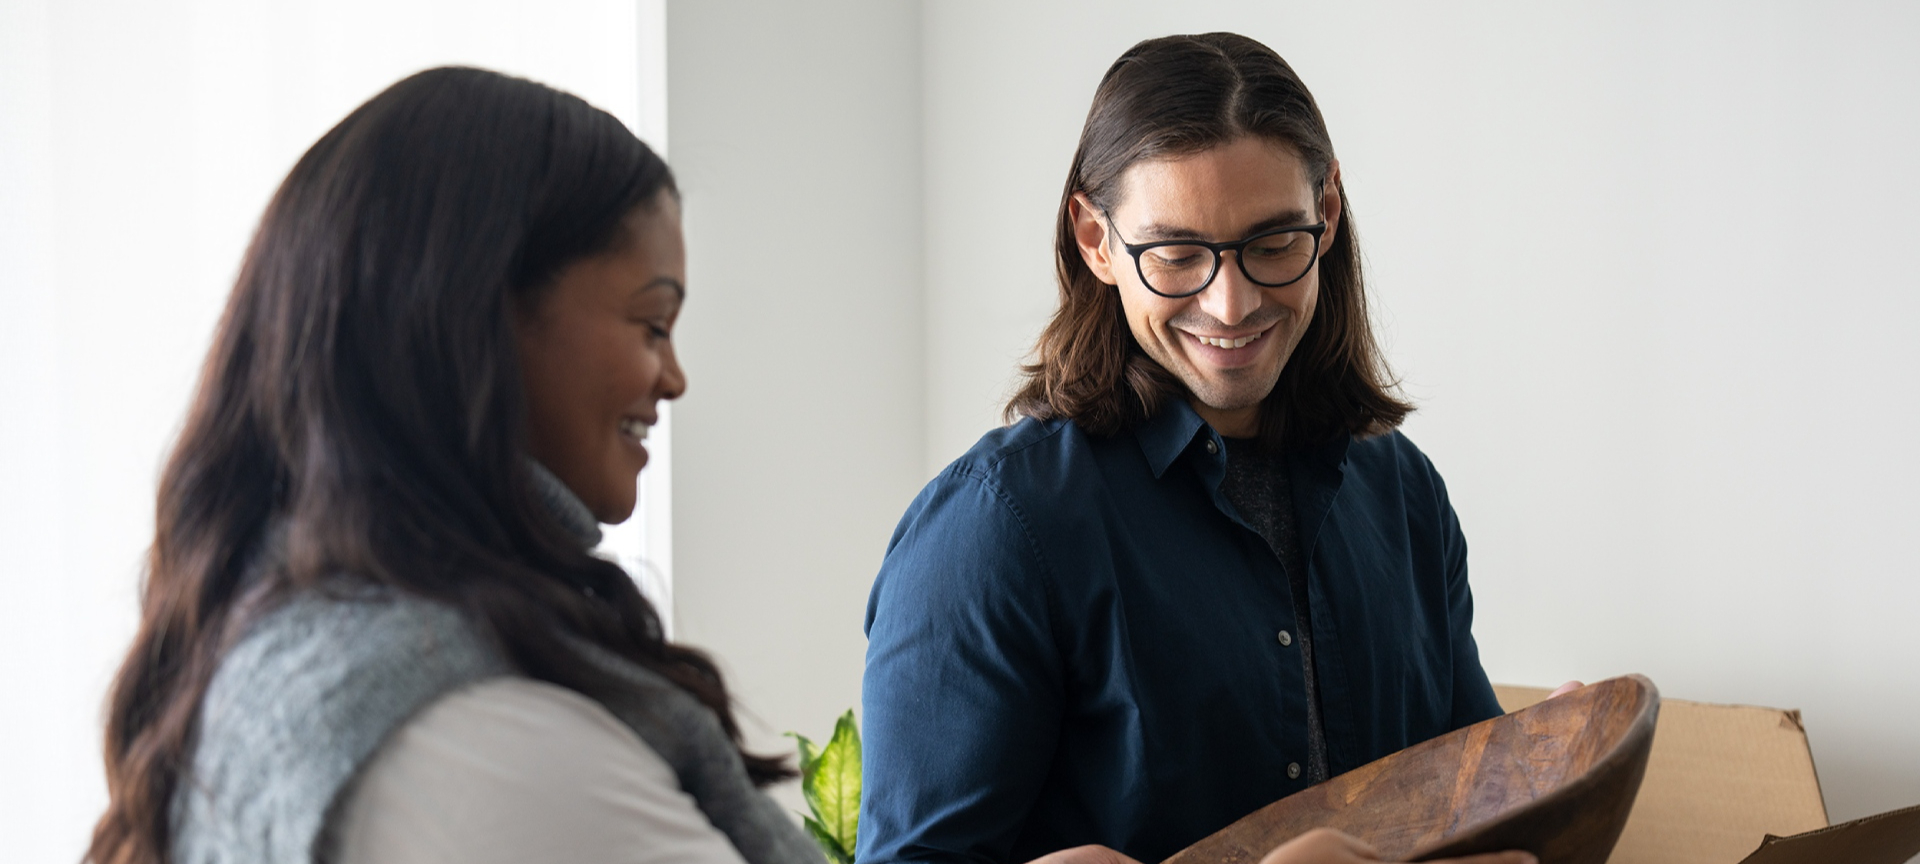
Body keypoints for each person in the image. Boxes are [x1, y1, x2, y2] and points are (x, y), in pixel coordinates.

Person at [85, 68, 826, 864]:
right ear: (478, 317)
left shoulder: (292, 653)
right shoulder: (477, 740)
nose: (673, 379)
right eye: (652, 323)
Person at [860, 33, 1539, 864]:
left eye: (1272, 244)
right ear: (1095, 240)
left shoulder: (1402, 494)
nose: (1230, 303)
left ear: (1326, 217)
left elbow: (1469, 809)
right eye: (1176, 254)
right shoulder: (996, 529)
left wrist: (1546, 776)